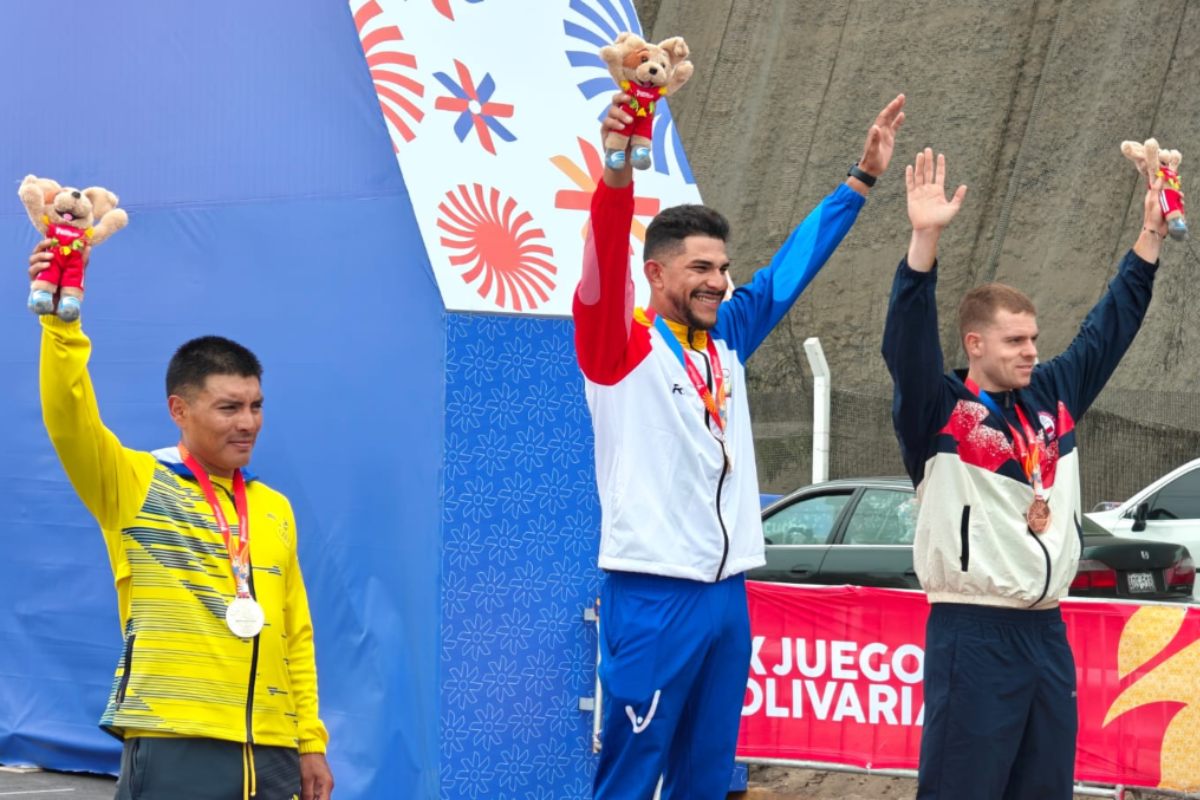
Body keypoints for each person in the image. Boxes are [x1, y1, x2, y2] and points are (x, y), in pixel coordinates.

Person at [575, 91, 905, 799]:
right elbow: (601, 261)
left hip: (728, 595)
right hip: (654, 591)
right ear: (656, 272)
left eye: (722, 269)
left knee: (708, 778)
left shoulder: (723, 338)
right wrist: (615, 173)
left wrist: (860, 181)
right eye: (700, 269)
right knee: (630, 777)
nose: (718, 282)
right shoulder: (618, 347)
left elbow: (789, 270)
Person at [882, 148, 1167, 799]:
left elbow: (1110, 326)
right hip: (972, 628)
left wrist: (1150, 233)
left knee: (1043, 791)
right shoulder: (940, 411)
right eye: (1016, 342)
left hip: (1046, 630)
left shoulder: (1055, 396)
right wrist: (923, 242)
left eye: (1035, 339)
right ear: (975, 344)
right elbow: (906, 344)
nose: (1033, 352)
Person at [30, 241, 334, 800]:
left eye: (256, 405)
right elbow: (68, 415)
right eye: (229, 408)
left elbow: (295, 633)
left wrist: (308, 739)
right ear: (179, 410)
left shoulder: (274, 507)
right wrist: (61, 325)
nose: (248, 423)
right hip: (175, 738)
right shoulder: (134, 483)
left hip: (271, 749)